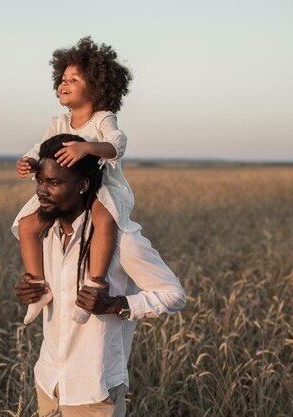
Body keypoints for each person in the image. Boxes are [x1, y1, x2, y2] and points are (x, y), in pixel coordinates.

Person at [14, 135, 186, 416]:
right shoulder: (46, 234)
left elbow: (174, 295)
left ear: (82, 186)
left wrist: (116, 305)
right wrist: (30, 289)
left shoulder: (122, 240)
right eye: (40, 181)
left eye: (53, 183)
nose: (41, 192)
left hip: (94, 391)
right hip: (49, 382)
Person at [13, 36, 140, 325]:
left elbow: (117, 145)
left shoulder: (102, 118)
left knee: (103, 218)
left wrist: (87, 147)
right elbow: (41, 149)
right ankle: (38, 284)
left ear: (97, 88)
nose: (64, 84)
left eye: (74, 79)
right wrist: (30, 162)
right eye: (63, 78)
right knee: (27, 224)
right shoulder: (58, 123)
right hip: (64, 188)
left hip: (97, 187)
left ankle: (96, 282)